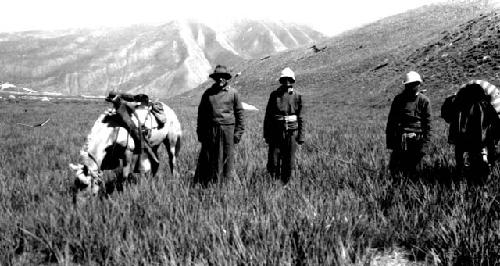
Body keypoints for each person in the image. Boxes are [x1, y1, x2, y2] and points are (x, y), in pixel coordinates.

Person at [194, 65, 245, 186]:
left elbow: (240, 114)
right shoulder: (208, 94)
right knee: (208, 157)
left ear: (226, 78)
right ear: (214, 79)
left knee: (227, 157)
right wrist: (200, 133)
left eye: (223, 77)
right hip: (210, 131)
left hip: (228, 130)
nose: (220, 79)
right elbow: (201, 115)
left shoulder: (233, 93)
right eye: (218, 77)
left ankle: (226, 184)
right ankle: (205, 183)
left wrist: (238, 133)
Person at [386, 71, 432, 176]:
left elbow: (428, 125)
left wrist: (425, 146)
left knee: (415, 171)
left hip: (417, 140)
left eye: (413, 85)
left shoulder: (424, 101)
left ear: (419, 84)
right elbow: (391, 121)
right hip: (400, 140)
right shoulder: (398, 100)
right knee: (396, 170)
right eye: (408, 85)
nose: (410, 87)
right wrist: (390, 141)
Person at [263, 67, 305, 184]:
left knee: (289, 160)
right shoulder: (274, 95)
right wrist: (266, 134)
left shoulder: (297, 96)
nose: (287, 82)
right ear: (281, 80)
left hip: (291, 133)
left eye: (289, 79)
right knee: (274, 160)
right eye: (284, 79)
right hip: (275, 133)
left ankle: (286, 182)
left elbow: (301, 117)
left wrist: (301, 136)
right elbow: (268, 116)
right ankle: (272, 182)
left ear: (292, 80)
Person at [105, 92, 159, 168]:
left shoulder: (124, 103)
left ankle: (153, 157)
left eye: (112, 99)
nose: (112, 100)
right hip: (122, 118)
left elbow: (131, 102)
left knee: (138, 137)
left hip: (129, 122)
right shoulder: (118, 101)